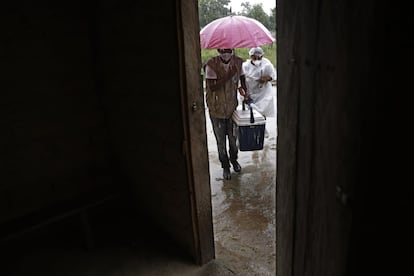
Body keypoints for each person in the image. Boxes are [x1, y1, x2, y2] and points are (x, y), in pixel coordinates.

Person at [204, 48, 248, 180]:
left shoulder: (238, 62)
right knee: (221, 141)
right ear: (218, 50)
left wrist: (245, 91)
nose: (226, 53)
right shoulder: (211, 64)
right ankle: (225, 166)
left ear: (232, 50)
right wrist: (229, 75)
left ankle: (234, 160)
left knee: (234, 140)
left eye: (228, 50)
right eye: (223, 50)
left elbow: (243, 80)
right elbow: (212, 87)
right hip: (216, 108)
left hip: (232, 108)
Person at [242, 47, 276, 120]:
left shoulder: (267, 65)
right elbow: (241, 81)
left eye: (259, 58)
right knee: (252, 113)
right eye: (254, 58)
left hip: (263, 93)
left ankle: (261, 125)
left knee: (262, 113)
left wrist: (265, 78)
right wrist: (245, 94)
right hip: (251, 92)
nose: (257, 60)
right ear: (250, 56)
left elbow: (273, 76)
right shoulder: (245, 66)